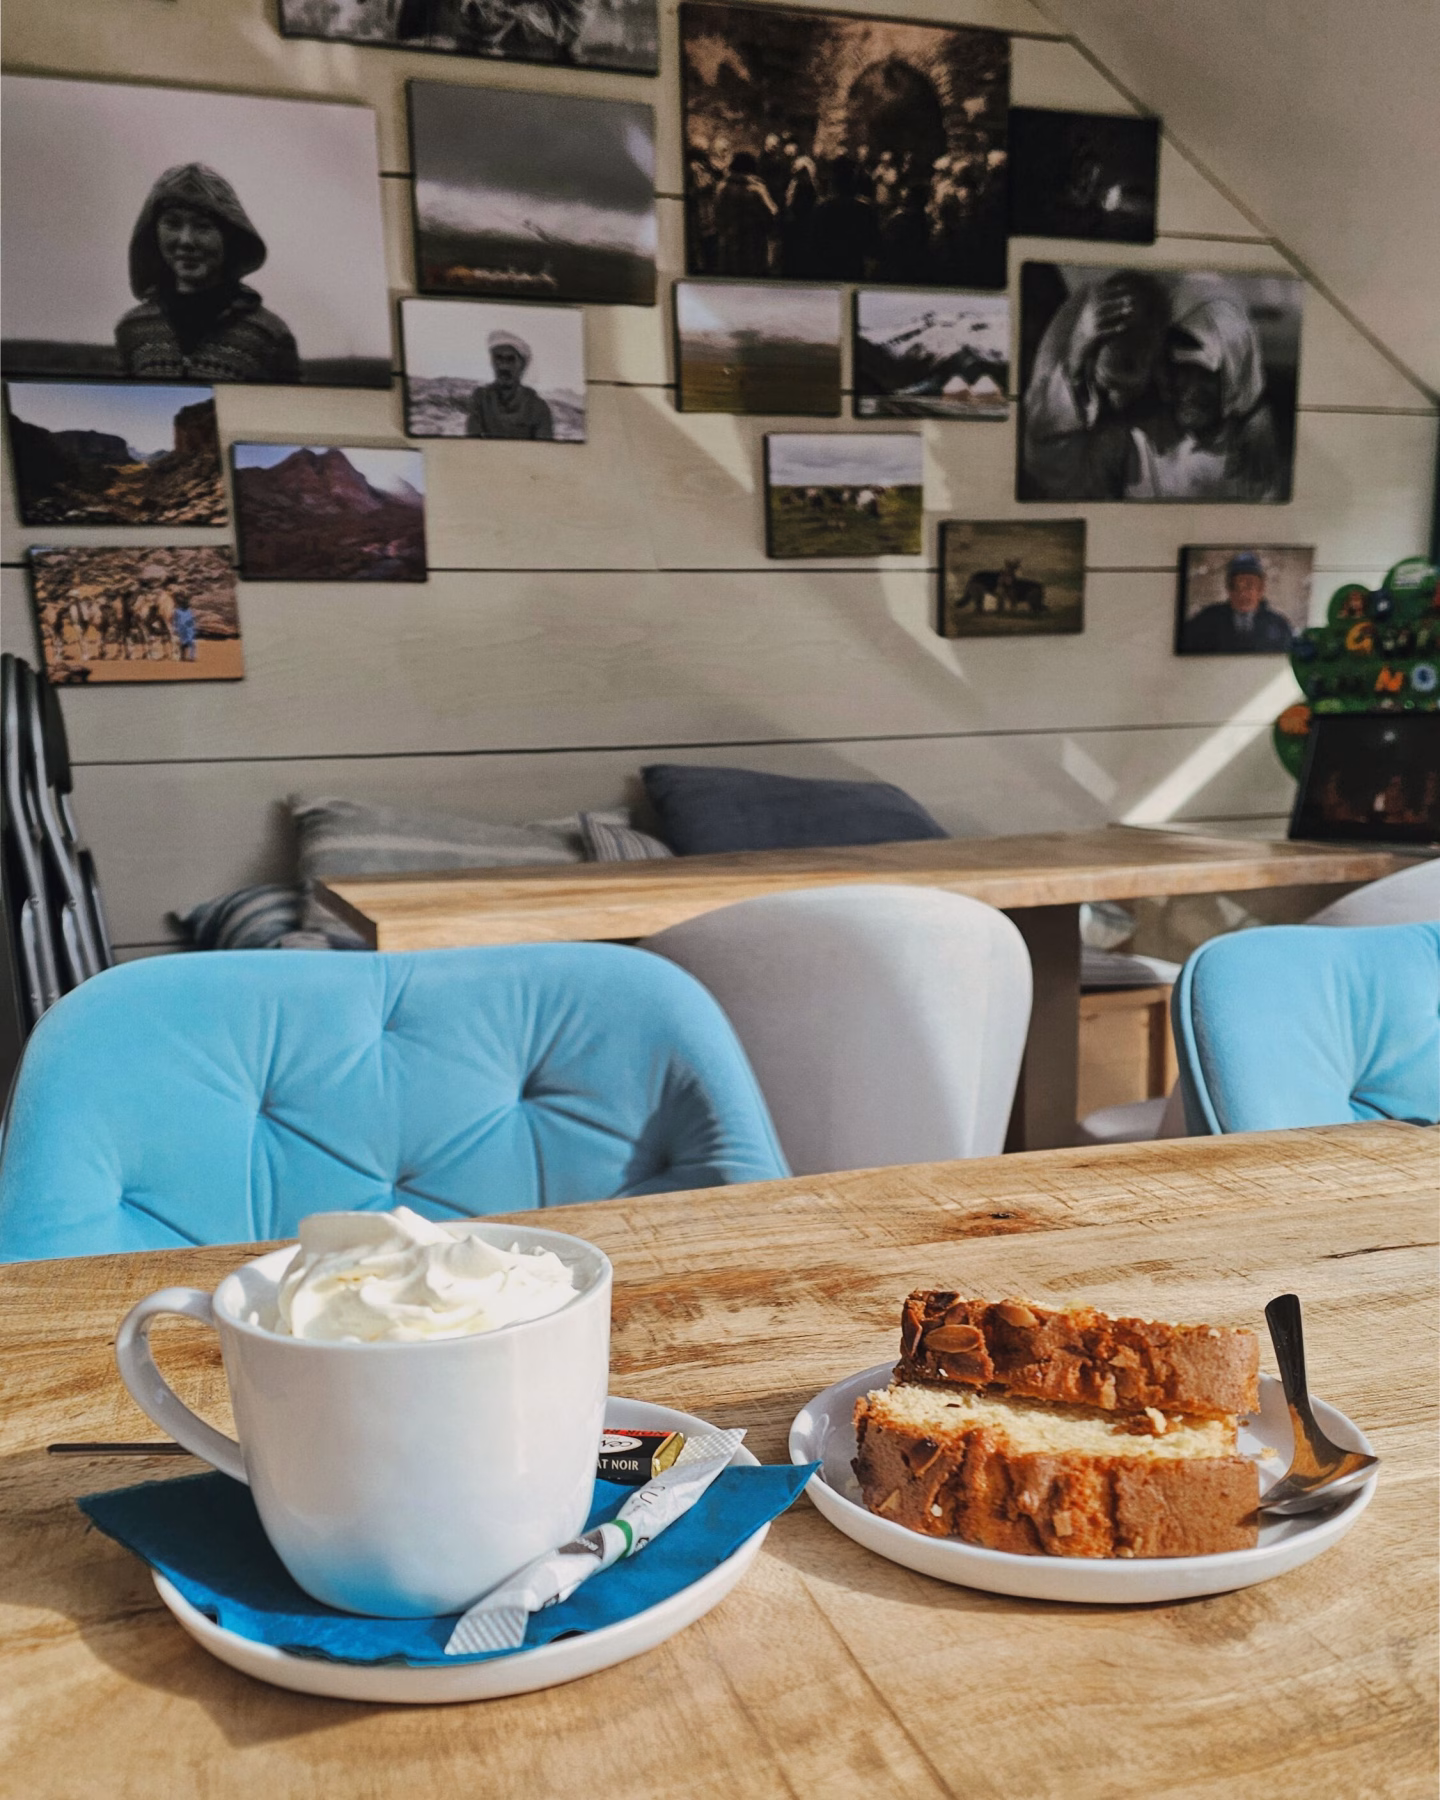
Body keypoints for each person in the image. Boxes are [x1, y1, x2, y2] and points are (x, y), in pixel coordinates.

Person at [115, 164, 301, 383]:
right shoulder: (132, 329)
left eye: (203, 226)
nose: (186, 241)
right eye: (172, 224)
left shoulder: (268, 337)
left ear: (230, 239)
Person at [1021, 269, 1171, 499]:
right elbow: (1046, 465)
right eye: (1108, 386)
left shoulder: (1157, 402)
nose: (1117, 398)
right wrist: (1076, 366)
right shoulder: (1061, 387)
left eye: (1133, 363)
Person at [1126, 287, 1284, 501]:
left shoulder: (1252, 458)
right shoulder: (1144, 443)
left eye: (1206, 376)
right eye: (1182, 370)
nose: (1189, 389)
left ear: (1234, 377)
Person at [1185, 551, 1294, 653]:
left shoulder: (1279, 626)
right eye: (1235, 587)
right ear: (1228, 589)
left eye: (1249, 586)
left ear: (1261, 589)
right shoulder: (1206, 621)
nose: (1242, 594)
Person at [465, 331, 555, 439]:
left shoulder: (537, 408)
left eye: (511, 359)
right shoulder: (481, 399)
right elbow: (472, 442)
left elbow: (543, 447)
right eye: (498, 358)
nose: (504, 366)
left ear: (522, 365)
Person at [714, 152, 777, 277]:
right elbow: (772, 212)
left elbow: (717, 212)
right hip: (753, 240)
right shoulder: (757, 188)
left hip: (730, 239)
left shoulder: (722, 187)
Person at [171, 596, 198, 663]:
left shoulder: (178, 611)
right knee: (190, 643)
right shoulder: (189, 611)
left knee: (183, 643)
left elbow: (175, 620)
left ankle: (184, 656)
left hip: (182, 629)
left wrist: (175, 628)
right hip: (187, 630)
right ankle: (191, 657)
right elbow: (192, 620)